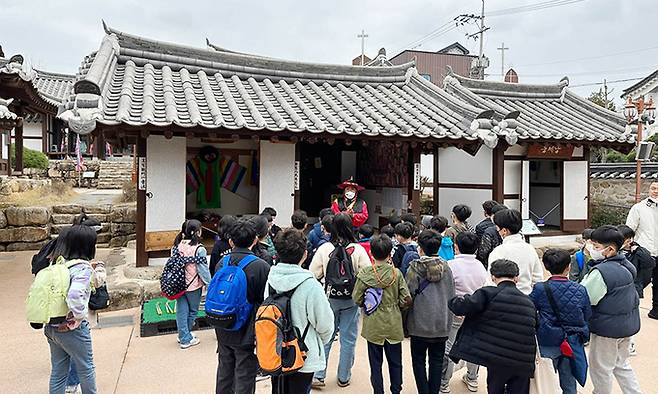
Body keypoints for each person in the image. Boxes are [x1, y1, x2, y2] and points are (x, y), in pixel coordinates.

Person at [449, 259, 537, 394]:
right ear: (517, 278)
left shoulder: (488, 294)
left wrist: (453, 299)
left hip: (498, 359)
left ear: (493, 277)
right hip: (523, 362)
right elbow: (536, 325)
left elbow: (462, 307)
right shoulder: (529, 302)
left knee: (496, 389)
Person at [266, 229, 335, 393]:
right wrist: (317, 342)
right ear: (305, 254)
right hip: (303, 354)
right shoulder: (310, 284)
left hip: (275, 349)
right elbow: (325, 325)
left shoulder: (271, 278)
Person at [309, 213, 371, 388]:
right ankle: (343, 376)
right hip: (351, 299)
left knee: (326, 337)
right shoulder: (357, 249)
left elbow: (314, 273)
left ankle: (319, 374)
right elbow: (367, 274)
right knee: (348, 338)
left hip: (329, 298)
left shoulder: (324, 248)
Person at [581, 225, 642, 394]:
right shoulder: (627, 265)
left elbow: (586, 297)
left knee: (601, 368)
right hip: (626, 326)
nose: (592, 249)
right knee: (621, 365)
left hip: (606, 330)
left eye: (596, 247)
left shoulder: (601, 272)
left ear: (609, 249)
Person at [215, 219, 271, 394]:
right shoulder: (260, 266)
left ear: (231, 241)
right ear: (255, 239)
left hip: (222, 322)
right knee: (245, 371)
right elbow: (265, 299)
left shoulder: (221, 263)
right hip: (247, 327)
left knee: (225, 369)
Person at [352, 234, 411, 394]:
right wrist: (396, 306)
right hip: (393, 324)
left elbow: (356, 298)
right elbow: (406, 299)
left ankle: (378, 391)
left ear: (371, 253)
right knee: (396, 363)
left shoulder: (365, 274)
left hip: (373, 325)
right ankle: (396, 390)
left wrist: (368, 304)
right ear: (390, 253)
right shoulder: (396, 274)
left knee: (375, 363)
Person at [44, 225, 100, 394]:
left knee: (58, 371)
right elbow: (75, 294)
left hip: (52, 326)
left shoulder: (57, 264)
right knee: (86, 368)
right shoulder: (82, 268)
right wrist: (79, 317)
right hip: (71, 329)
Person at [530, 249, 591, 394]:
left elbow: (530, 309)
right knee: (569, 383)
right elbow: (587, 314)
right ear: (568, 267)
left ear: (546, 267)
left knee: (546, 380)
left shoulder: (540, 288)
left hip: (548, 338)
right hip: (572, 340)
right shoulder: (580, 289)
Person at [405, 230, 455, 394]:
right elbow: (451, 294)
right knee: (437, 361)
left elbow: (407, 296)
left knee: (418, 361)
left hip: (419, 324)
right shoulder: (447, 268)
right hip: (441, 324)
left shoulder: (414, 269)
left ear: (420, 248)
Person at [442, 232, 487, 393]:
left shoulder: (450, 265)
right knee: (474, 345)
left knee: (448, 347)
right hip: (476, 312)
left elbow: (446, 290)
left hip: (455, 311)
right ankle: (472, 378)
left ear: (456, 247)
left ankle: (444, 383)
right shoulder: (481, 267)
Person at [173, 219, 210, 349]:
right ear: (197, 232)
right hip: (193, 285)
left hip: (178, 284)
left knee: (181, 311)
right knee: (193, 311)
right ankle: (185, 337)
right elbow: (202, 269)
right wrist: (209, 283)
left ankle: (183, 334)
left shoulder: (177, 246)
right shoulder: (199, 249)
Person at [488, 209, 543, 295]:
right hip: (526, 298)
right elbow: (538, 279)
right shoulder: (530, 249)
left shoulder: (498, 251)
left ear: (504, 231)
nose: (497, 231)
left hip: (503, 299)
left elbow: (491, 281)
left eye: (498, 228)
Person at [625, 181, 658, 319]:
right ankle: (627, 307)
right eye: (653, 188)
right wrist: (630, 246)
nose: (656, 191)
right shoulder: (639, 208)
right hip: (645, 252)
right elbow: (629, 229)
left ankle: (656, 309)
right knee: (639, 282)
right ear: (649, 189)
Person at [618, 224, 655, 298]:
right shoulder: (615, 251)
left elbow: (650, 263)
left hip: (634, 288)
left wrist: (638, 250)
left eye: (630, 238)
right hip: (618, 287)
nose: (629, 241)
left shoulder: (637, 251)